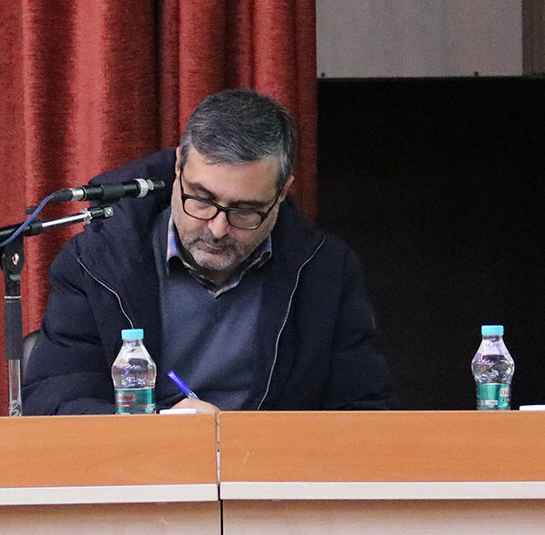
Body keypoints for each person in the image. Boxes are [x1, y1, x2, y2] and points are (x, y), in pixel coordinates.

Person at [23, 89, 391, 414]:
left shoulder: (325, 272)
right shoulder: (99, 262)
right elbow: (55, 403)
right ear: (178, 168)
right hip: (138, 464)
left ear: (281, 193)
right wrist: (161, 427)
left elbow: (362, 414)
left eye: (245, 211)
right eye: (201, 200)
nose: (217, 229)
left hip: (264, 466)